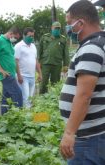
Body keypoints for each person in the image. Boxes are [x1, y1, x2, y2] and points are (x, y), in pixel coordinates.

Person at [59, 0, 105, 164]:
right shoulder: (100, 43)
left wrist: (70, 133)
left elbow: (84, 95)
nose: (68, 28)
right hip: (95, 133)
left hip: (87, 138)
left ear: (81, 23)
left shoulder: (91, 47)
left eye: (69, 23)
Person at [0, 26, 23, 114]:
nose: (15, 40)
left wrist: (18, 73)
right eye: (15, 37)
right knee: (18, 94)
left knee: (6, 99)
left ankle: (5, 118)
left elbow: (12, 58)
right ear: (11, 34)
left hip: (11, 73)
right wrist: (0, 69)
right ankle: (20, 116)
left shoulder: (9, 43)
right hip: (6, 74)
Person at [38, 21, 69, 94]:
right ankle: (42, 98)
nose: (57, 30)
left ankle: (53, 98)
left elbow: (66, 53)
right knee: (43, 82)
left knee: (55, 83)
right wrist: (38, 62)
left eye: (58, 29)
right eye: (55, 28)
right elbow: (40, 50)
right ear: (52, 28)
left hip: (57, 64)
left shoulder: (63, 39)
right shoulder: (45, 37)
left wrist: (66, 65)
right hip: (45, 63)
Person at [15, 27, 42, 108]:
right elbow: (15, 61)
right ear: (24, 35)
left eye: (33, 36)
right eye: (29, 36)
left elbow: (36, 61)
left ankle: (28, 116)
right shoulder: (18, 46)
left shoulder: (33, 46)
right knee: (25, 98)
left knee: (30, 99)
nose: (31, 38)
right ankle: (25, 117)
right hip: (23, 77)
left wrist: (40, 74)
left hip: (32, 77)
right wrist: (19, 75)